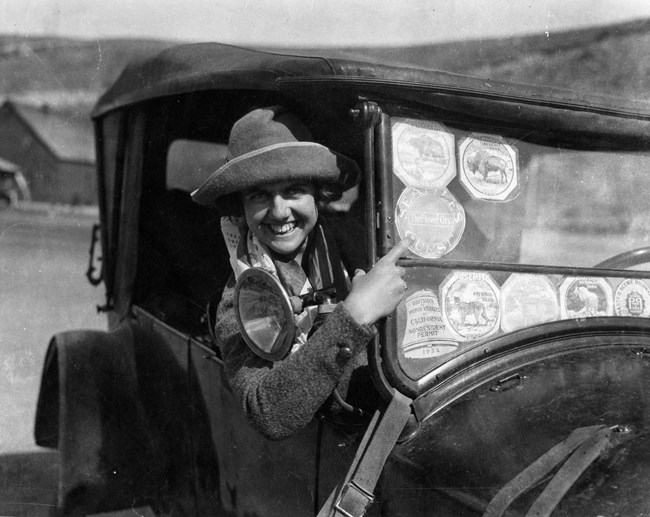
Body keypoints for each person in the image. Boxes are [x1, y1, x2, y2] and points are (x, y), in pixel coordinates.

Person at [192, 106, 411, 440]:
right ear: (241, 206)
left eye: (293, 190)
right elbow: (268, 413)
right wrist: (355, 313)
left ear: (318, 194)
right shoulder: (239, 301)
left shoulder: (360, 243)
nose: (280, 212)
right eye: (260, 195)